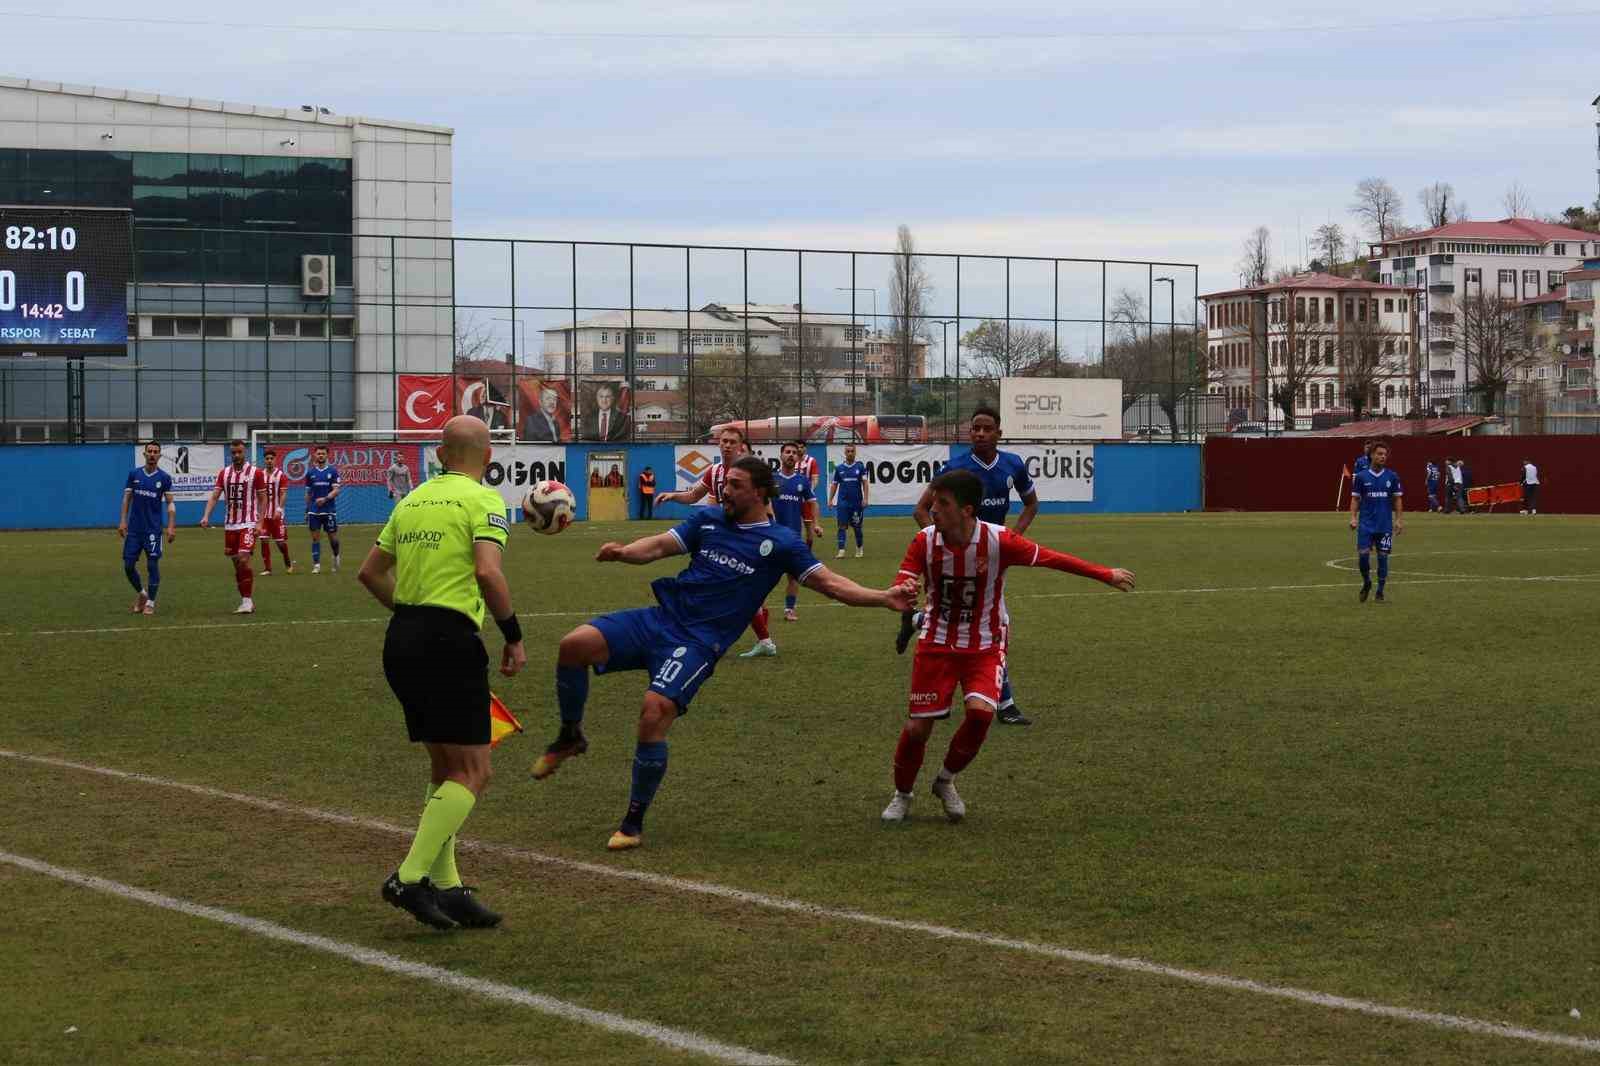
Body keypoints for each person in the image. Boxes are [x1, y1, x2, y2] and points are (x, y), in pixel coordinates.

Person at [531, 455, 914, 851]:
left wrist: (883, 598)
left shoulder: (781, 542)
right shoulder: (709, 520)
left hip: (698, 643)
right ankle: (569, 735)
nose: (725, 490)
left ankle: (632, 823)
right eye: (725, 483)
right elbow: (661, 546)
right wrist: (625, 552)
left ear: (759, 492)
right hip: (660, 620)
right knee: (574, 645)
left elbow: (833, 585)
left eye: (735, 485)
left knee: (653, 710)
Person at [882, 469, 1134, 823]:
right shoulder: (924, 541)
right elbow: (904, 578)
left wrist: (1104, 573)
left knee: (981, 714)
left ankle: (945, 780)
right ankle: (903, 794)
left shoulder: (999, 541)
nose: (932, 510)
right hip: (936, 642)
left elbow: (1051, 557)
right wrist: (904, 590)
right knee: (917, 729)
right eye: (933, 502)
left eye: (943, 503)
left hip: (985, 643)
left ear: (967, 510)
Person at [358, 416, 525, 931]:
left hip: (402, 638)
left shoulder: (409, 502)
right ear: (489, 455)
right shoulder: (483, 500)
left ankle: (447, 888)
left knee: (445, 770)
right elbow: (486, 571)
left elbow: (369, 573)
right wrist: (513, 635)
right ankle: (408, 878)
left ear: (439, 453)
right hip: (448, 642)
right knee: (475, 771)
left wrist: (412, 618)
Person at [898, 404, 1040, 726]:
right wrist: (940, 546)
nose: (979, 433)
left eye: (987, 428)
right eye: (975, 428)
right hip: (960, 557)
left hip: (991, 556)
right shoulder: (957, 467)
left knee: (975, 620)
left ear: (998, 433)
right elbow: (921, 509)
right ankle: (1006, 704)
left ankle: (918, 619)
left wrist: (1011, 541)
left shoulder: (1012, 465)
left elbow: (1031, 503)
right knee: (997, 621)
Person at [199, 439, 268, 614]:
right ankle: (247, 601)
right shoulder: (224, 473)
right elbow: (214, 496)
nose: (237, 455)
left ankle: (247, 601)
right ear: (230, 453)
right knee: (237, 563)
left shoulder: (256, 473)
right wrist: (206, 515)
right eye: (234, 453)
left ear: (244, 452)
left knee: (244, 558)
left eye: (239, 452)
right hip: (230, 525)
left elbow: (262, 499)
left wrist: (260, 522)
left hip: (248, 523)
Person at [118, 439, 175, 616]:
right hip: (134, 529)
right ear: (144, 454)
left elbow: (170, 504)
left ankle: (150, 602)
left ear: (159, 455)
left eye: (155, 451)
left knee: (152, 565)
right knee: (128, 566)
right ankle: (142, 595)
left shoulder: (164, 478)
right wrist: (122, 521)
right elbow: (127, 499)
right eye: (149, 451)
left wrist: (171, 526)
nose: (152, 454)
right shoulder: (134, 474)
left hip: (153, 530)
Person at [771, 442, 824, 622]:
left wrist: (816, 523)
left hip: (793, 537)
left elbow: (813, 503)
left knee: (793, 576)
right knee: (765, 575)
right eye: (788, 452)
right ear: (781, 455)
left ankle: (789, 609)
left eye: (794, 452)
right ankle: (755, 609)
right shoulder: (771, 479)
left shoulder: (802, 481)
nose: (791, 455)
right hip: (772, 536)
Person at [1349, 440, 1403, 603]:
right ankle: (1367, 582)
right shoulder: (1361, 476)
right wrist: (1353, 518)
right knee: (1363, 557)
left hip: (1385, 525)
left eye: (1385, 454)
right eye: (1379, 454)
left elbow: (1397, 499)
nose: (1382, 457)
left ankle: (1380, 591)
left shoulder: (1392, 476)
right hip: (1366, 525)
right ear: (1371, 455)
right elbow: (1355, 499)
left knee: (1383, 558)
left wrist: (1399, 520)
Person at [655, 425, 746, 508]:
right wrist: (672, 496)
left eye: (732, 442)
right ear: (719, 443)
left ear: (740, 447)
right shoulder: (714, 471)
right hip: (725, 523)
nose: (727, 445)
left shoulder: (748, 471)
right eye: (725, 441)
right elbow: (694, 496)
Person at [304, 445, 342, 573]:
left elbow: (336, 490)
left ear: (327, 455)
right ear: (314, 455)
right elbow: (308, 493)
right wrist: (306, 510)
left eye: (323, 454)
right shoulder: (310, 473)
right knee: (315, 538)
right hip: (314, 511)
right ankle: (316, 565)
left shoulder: (333, 471)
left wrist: (325, 499)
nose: (320, 455)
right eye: (318, 453)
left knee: (333, 538)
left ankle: (336, 555)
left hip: (329, 510)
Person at [829, 443, 869, 558]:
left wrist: (865, 498)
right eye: (848, 451)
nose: (850, 453)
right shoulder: (839, 468)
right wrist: (830, 499)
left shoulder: (860, 467)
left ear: (855, 452)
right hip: (843, 503)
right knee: (841, 526)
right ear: (845, 453)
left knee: (857, 527)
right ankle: (841, 551)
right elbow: (834, 485)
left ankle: (859, 548)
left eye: (852, 451)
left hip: (856, 503)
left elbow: (865, 483)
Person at [258, 448, 295, 576]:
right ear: (264, 460)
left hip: (276, 515)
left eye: (271, 458)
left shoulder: (281, 476)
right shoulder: (260, 475)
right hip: (264, 516)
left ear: (275, 460)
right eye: (267, 459)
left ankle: (288, 561)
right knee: (263, 540)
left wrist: (279, 509)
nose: (269, 461)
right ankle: (267, 568)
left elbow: (283, 493)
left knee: (280, 543)